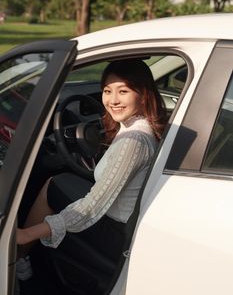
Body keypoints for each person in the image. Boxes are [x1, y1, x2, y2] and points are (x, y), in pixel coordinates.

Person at [16, 60, 167, 280]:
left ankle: (18, 258)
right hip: (120, 218)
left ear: (143, 94)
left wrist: (24, 234)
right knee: (59, 182)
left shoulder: (133, 140)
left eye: (123, 91)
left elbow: (92, 207)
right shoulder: (138, 126)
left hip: (115, 231)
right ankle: (21, 257)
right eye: (107, 91)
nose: (112, 100)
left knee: (53, 185)